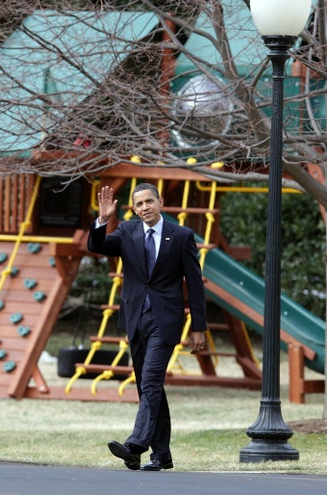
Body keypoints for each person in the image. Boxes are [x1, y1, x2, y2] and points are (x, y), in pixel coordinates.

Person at [87, 182, 207, 471]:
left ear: (160, 201)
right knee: (148, 385)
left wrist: (199, 327)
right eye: (139, 204)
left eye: (149, 201)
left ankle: (136, 444)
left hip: (165, 321)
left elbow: (195, 284)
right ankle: (162, 454)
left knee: (151, 381)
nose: (144, 208)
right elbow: (98, 246)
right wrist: (102, 221)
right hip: (135, 318)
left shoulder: (181, 236)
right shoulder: (127, 231)